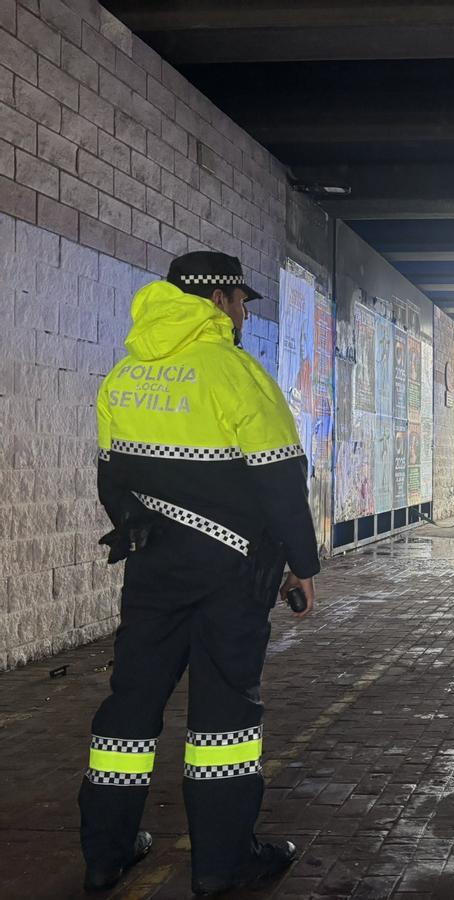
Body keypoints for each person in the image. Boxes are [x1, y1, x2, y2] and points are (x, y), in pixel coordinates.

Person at [79, 252, 319, 895]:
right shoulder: (236, 374)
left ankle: (106, 854)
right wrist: (301, 564)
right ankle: (220, 864)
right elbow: (280, 484)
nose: (244, 313)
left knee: (129, 706)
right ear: (220, 300)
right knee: (223, 718)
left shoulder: (124, 376)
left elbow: (113, 484)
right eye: (242, 300)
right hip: (232, 576)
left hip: (153, 572)